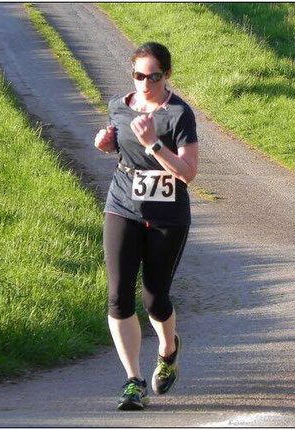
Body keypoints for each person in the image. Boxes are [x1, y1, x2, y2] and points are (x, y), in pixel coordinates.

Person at [94, 42, 199, 411]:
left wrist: (153, 143)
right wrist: (105, 143)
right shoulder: (119, 107)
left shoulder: (179, 115)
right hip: (122, 206)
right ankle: (133, 381)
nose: (145, 83)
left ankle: (168, 350)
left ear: (166, 75)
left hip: (168, 215)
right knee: (119, 295)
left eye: (153, 76)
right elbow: (119, 146)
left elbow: (187, 174)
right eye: (139, 75)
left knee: (155, 297)